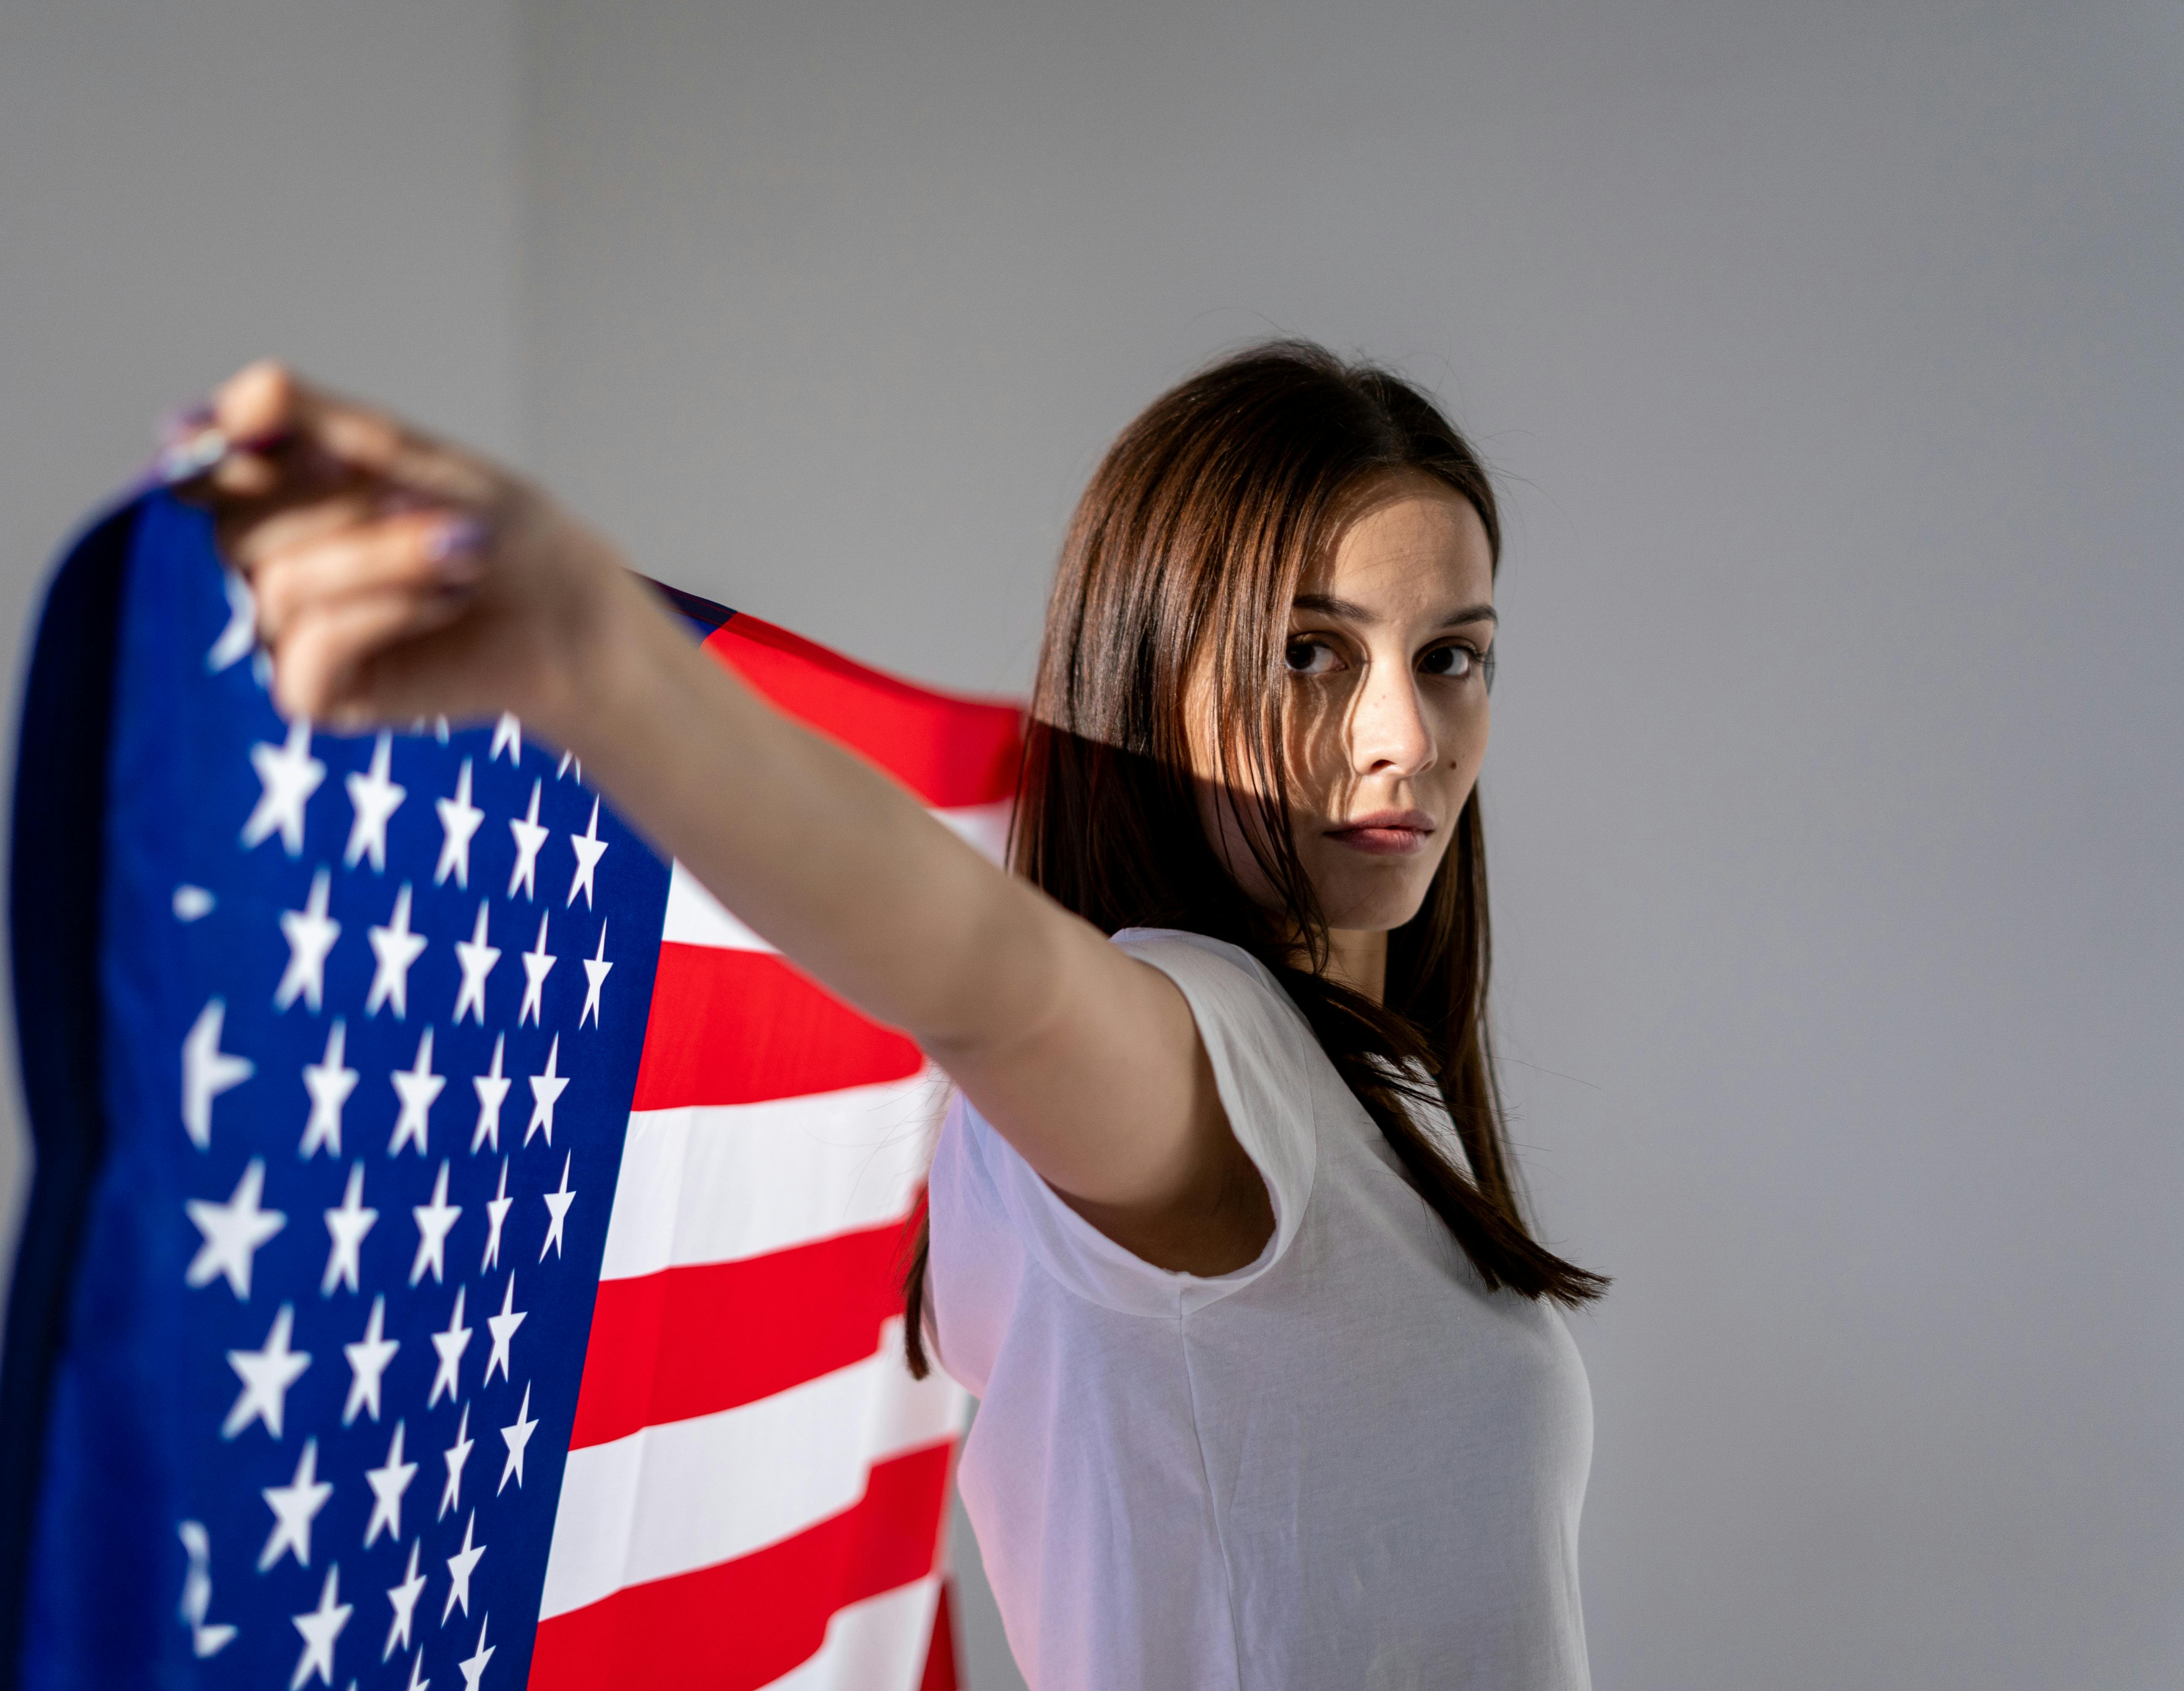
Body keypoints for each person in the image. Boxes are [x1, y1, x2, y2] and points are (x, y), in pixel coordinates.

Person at [182, 340, 1605, 1689]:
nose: (1405, 737)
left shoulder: (1368, 1091)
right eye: (1311, 652)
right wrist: (605, 676)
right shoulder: (1211, 1033)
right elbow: (996, 985)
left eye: (1450, 656)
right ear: (1154, 666)